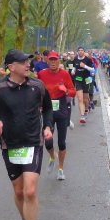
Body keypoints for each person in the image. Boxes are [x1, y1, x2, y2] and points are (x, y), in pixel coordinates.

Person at [0, 49, 53, 220]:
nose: (28, 64)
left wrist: (48, 126)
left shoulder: (37, 86)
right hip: (10, 144)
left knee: (30, 191)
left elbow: (48, 108)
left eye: (28, 61)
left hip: (33, 142)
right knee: (19, 191)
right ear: (11, 67)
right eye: (23, 62)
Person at [37, 51, 75, 180]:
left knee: (61, 142)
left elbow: (73, 92)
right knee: (48, 142)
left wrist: (66, 90)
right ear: (47, 61)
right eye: (51, 60)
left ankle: (60, 169)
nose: (53, 62)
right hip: (47, 111)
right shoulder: (42, 74)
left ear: (59, 61)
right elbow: (37, 90)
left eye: (55, 60)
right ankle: (53, 156)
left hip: (62, 110)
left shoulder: (64, 74)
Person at [71, 46, 96, 124]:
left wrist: (84, 66)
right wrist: (73, 71)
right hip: (78, 80)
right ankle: (82, 116)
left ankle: (86, 110)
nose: (80, 51)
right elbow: (74, 67)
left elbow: (92, 69)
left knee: (85, 99)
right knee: (80, 99)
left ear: (84, 51)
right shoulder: (75, 59)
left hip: (86, 80)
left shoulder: (88, 60)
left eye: (82, 50)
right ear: (77, 52)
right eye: (79, 50)